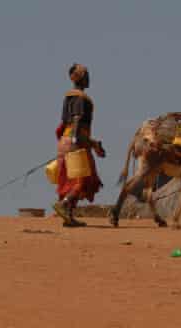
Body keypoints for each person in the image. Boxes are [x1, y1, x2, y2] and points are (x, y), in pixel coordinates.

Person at [53, 63, 105, 227]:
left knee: (73, 179)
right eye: (87, 75)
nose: (89, 78)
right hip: (74, 141)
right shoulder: (81, 98)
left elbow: (64, 123)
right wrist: (78, 142)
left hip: (66, 140)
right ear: (81, 78)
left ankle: (68, 217)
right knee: (81, 180)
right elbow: (76, 120)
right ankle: (63, 205)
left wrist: (92, 144)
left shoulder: (69, 97)